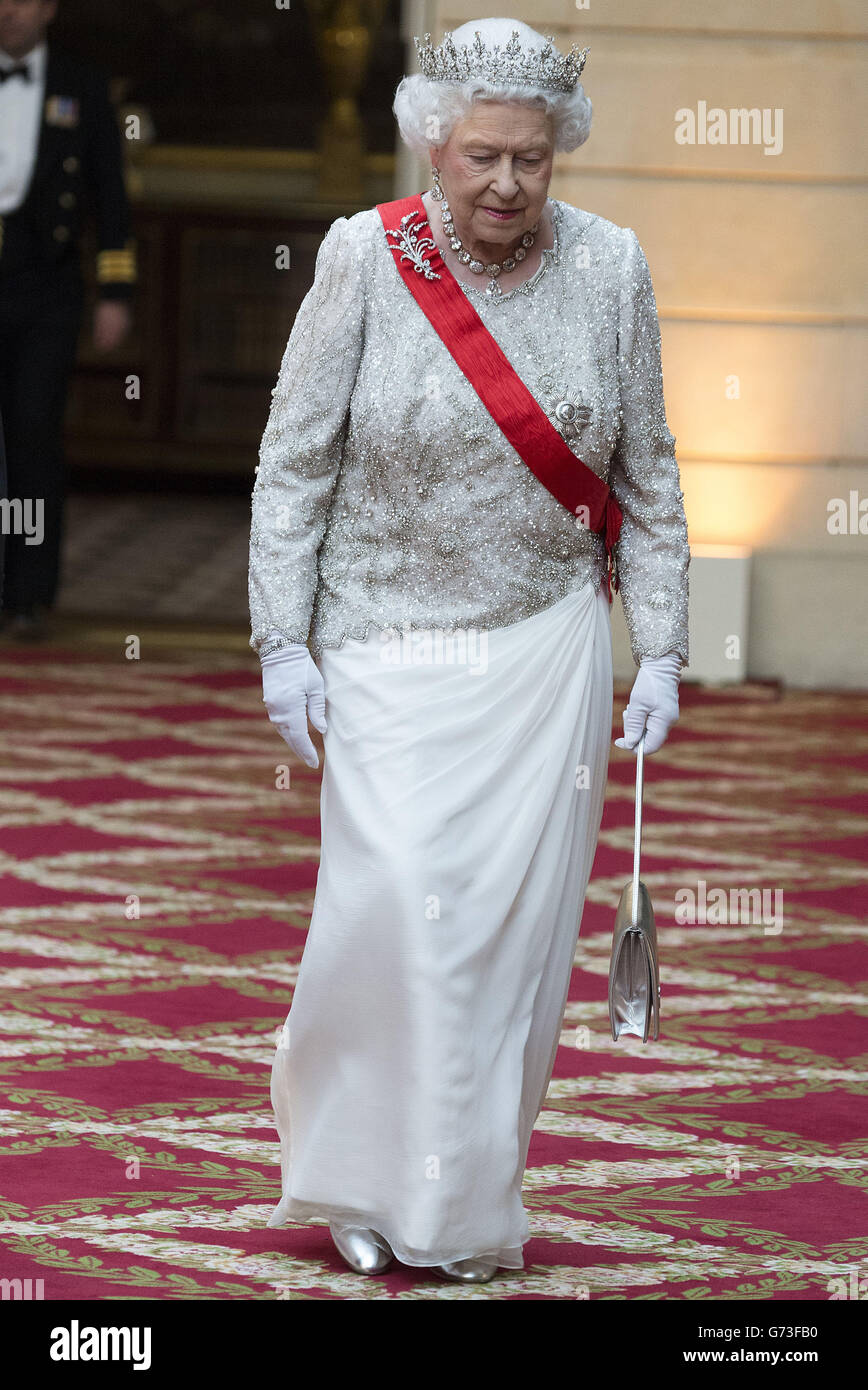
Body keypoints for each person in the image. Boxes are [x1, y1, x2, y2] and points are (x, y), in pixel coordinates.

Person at [248, 17, 689, 1284]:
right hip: (385, 642)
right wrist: (285, 640)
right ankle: (359, 1164)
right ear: (434, 143)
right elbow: (295, 463)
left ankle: (450, 1195)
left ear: (561, 158)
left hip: (542, 651)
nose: (505, 183)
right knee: (390, 918)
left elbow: (647, 475)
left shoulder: (611, 268)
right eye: (483, 154)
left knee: (504, 944)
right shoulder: (363, 258)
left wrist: (657, 648)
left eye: (532, 161)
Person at [0, 0, 136, 640]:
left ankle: (27, 591)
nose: (7, 10)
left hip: (45, 290)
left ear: (49, 8)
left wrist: (116, 293)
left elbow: (110, 193)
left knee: (31, 435)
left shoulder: (81, 86)